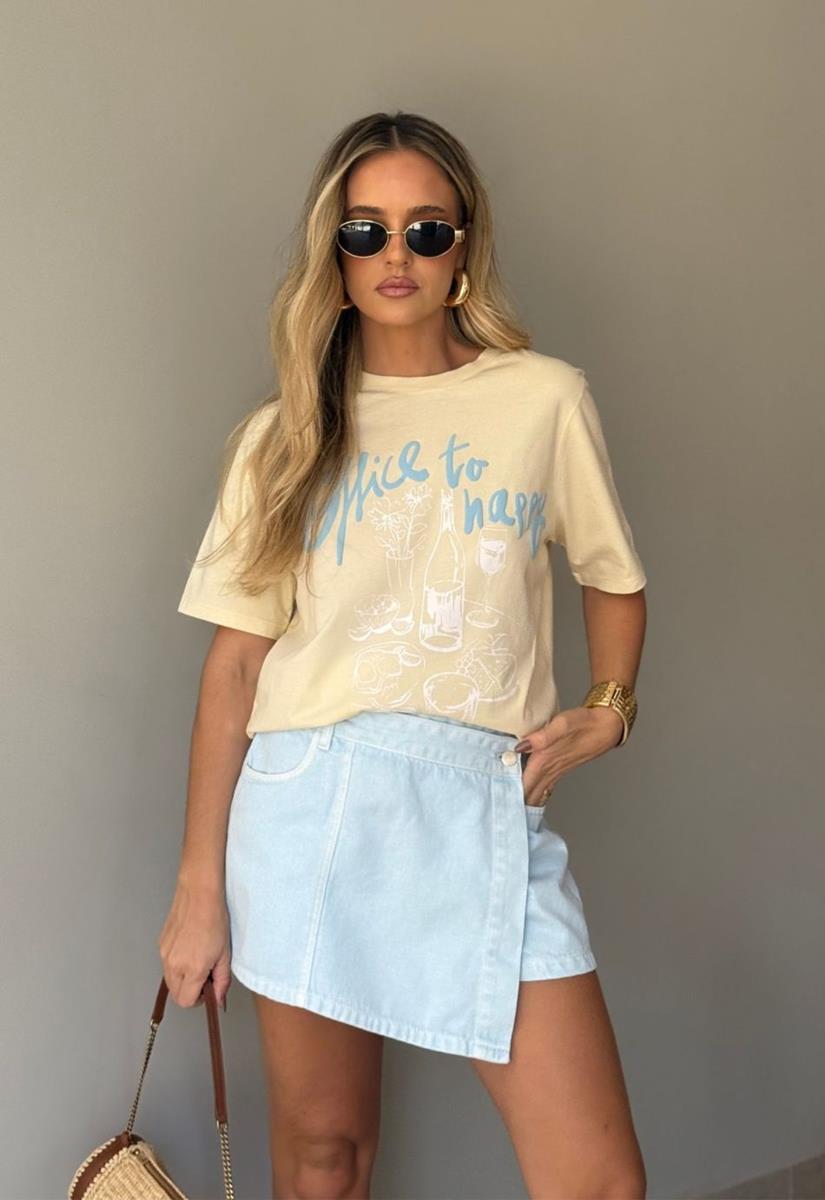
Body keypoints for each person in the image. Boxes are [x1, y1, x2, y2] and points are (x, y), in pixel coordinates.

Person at [159, 109, 648, 1200]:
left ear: (462, 250)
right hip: (309, 809)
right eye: (365, 230)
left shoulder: (542, 399)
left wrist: (610, 708)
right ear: (332, 256)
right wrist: (199, 890)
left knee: (599, 1181)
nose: (396, 254)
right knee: (325, 1162)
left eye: (426, 230)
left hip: (481, 805)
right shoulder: (282, 436)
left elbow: (613, 575)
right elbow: (234, 669)